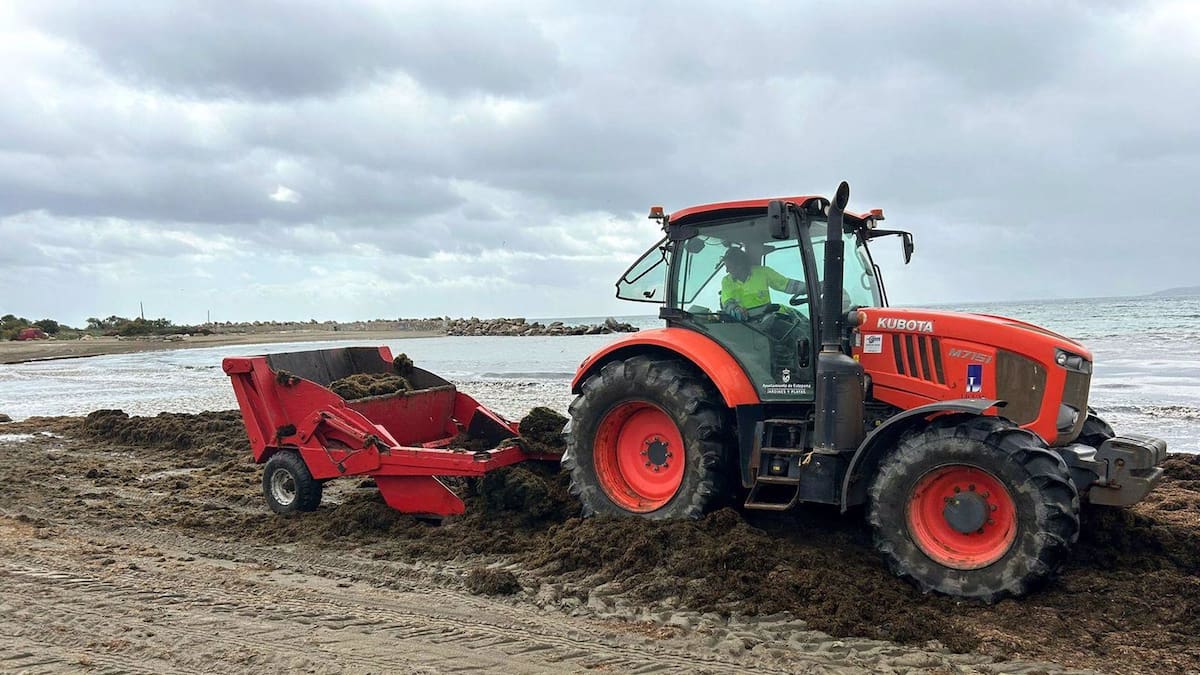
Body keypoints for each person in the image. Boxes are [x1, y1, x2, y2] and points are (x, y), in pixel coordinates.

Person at [720, 247, 806, 321]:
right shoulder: (727, 281)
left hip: (768, 320)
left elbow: (787, 284)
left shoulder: (763, 272)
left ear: (740, 265)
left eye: (729, 267)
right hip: (745, 325)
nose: (727, 271)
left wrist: (810, 289)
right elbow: (727, 302)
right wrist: (736, 310)